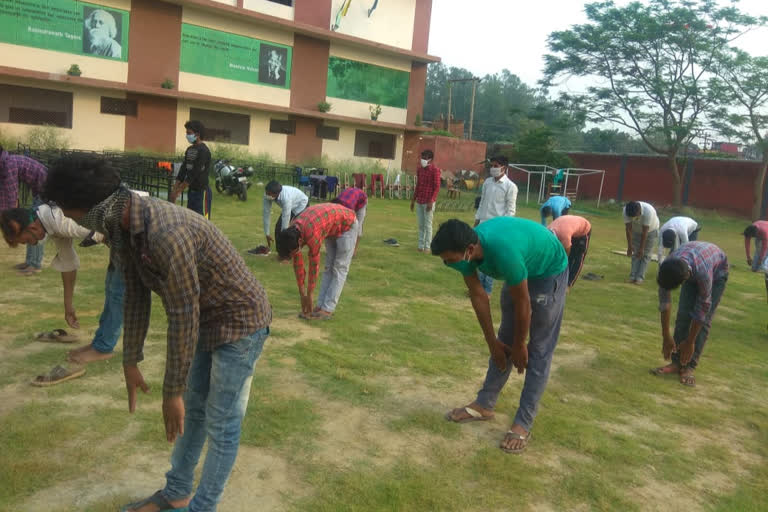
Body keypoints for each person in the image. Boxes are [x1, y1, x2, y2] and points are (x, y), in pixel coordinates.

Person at [43, 154, 272, 512]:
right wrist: (130, 360)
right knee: (194, 411)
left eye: (76, 217)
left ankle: (203, 506)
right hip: (206, 318)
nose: (79, 225)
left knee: (221, 421)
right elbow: (134, 294)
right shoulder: (121, 230)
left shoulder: (166, 234)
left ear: (99, 209)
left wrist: (172, 391)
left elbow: (183, 315)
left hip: (240, 321)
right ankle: (176, 492)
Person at [433, 217, 568, 455]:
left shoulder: (504, 253)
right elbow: (478, 297)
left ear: (469, 250)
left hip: (548, 270)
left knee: (537, 351)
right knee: (504, 341)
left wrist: (520, 344)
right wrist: (493, 344)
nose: (449, 265)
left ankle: (523, 423)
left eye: (450, 260)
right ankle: (484, 404)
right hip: (520, 267)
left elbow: (523, 302)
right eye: (445, 262)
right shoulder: (465, 253)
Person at [651, 242, 728, 387]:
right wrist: (666, 335)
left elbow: (702, 310)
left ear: (684, 278)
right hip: (692, 264)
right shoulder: (667, 268)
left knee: (702, 322)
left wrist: (690, 341)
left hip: (717, 273)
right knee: (683, 315)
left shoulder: (703, 274)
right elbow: (664, 303)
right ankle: (676, 363)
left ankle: (689, 366)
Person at [277, 203, 357, 320]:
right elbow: (298, 265)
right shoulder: (292, 231)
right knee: (329, 267)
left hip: (347, 225)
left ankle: (328, 309)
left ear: (300, 241)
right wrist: (302, 294)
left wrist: (310, 295)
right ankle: (320, 307)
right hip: (330, 225)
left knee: (339, 268)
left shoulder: (312, 233)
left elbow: (314, 267)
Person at [474, 155, 518, 295]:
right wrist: (477, 221)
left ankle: (487, 290)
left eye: (496, 166)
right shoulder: (487, 182)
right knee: (479, 257)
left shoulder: (510, 186)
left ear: (504, 168)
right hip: (483, 225)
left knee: (491, 258)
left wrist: (502, 229)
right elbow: (482, 203)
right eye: (492, 165)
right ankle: (478, 288)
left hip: (497, 228)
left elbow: (510, 211)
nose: (493, 168)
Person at [0, 146, 47, 275]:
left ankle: (35, 265)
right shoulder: (5, 164)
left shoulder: (9, 165)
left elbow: (11, 196)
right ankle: (29, 262)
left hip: (46, 191)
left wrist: (8, 219)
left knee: (35, 226)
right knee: (28, 226)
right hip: (38, 191)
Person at [171, 120, 212, 219]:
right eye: (186, 133)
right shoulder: (190, 150)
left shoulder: (204, 151)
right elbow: (183, 170)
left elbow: (194, 173)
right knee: (191, 219)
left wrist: (179, 191)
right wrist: (175, 188)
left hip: (202, 192)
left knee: (202, 221)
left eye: (189, 133)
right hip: (191, 191)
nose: (187, 136)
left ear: (197, 134)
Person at [256, 180, 308, 254]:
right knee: (279, 228)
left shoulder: (286, 198)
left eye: (269, 194)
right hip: (292, 205)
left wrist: (284, 235)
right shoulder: (267, 195)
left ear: (277, 194)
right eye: (266, 192)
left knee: (292, 230)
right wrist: (267, 233)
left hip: (302, 205)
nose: (267, 195)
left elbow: (285, 218)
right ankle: (281, 252)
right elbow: (266, 213)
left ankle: (288, 253)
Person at [547, 215, 592, 289]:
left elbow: (566, 253)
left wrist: (561, 261)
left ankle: (569, 284)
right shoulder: (547, 230)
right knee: (567, 258)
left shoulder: (564, 235)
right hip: (570, 227)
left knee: (578, 257)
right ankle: (562, 278)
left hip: (583, 229)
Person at [411, 149, 441, 253]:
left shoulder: (435, 170)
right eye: (422, 157)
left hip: (429, 201)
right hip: (420, 200)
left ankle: (427, 247)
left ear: (430, 159)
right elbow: (418, 185)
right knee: (421, 225)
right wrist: (413, 200)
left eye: (425, 157)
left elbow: (437, 187)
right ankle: (420, 245)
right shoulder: (420, 170)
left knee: (428, 225)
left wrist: (431, 201)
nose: (422, 159)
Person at [623, 200, 660, 284]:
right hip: (636, 231)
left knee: (645, 254)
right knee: (635, 253)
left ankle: (640, 278)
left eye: (635, 216)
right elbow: (628, 229)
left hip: (651, 231)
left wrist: (642, 248)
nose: (633, 219)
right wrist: (629, 246)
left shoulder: (648, 211)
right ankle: (632, 277)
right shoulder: (626, 211)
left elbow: (645, 232)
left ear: (639, 211)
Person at [331, 186, 367, 256]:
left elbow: (349, 223)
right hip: (351, 196)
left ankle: (353, 251)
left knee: (358, 226)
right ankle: (339, 247)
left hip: (361, 201)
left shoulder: (348, 207)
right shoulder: (336, 203)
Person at [743, 220, 768, 305]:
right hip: (760, 233)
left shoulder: (764, 232)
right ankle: (761, 266)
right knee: (754, 268)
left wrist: (761, 260)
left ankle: (764, 267)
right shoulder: (750, 229)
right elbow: (747, 243)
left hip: (766, 233)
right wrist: (748, 257)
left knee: (764, 254)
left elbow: (765, 247)